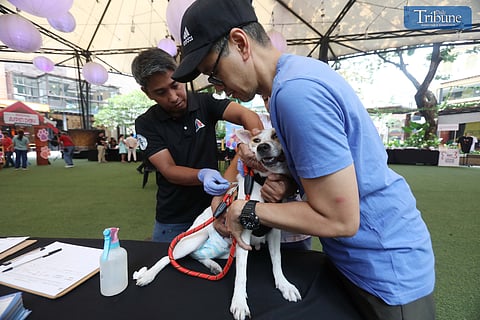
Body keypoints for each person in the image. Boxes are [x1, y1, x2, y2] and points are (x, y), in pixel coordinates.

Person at [172, 1, 436, 319]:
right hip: (363, 258)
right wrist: (288, 180)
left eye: (213, 73)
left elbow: (341, 219)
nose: (218, 88)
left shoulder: (296, 94)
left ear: (240, 43)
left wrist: (248, 210)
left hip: (384, 267)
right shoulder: (297, 77)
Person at [132, 47, 263, 243]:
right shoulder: (146, 123)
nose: (173, 97)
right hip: (173, 219)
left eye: (175, 85)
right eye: (161, 92)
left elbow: (249, 116)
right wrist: (202, 174)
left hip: (214, 210)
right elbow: (168, 169)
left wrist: (243, 154)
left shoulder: (205, 102)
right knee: (169, 267)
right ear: (147, 93)